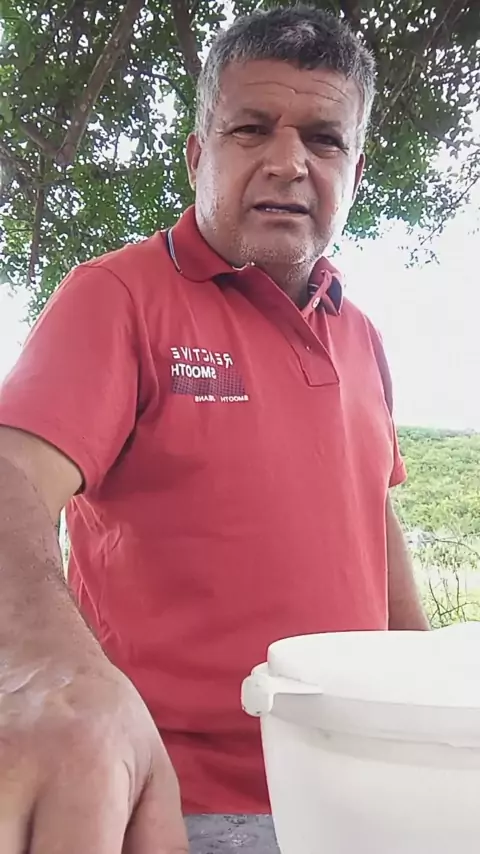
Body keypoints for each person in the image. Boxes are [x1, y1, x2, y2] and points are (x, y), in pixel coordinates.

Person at [0, 5, 429, 853]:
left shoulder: (362, 334)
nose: (288, 161)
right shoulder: (117, 295)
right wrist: (47, 665)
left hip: (359, 789)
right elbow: (12, 472)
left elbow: (371, 517)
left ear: (355, 169)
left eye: (323, 139)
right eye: (251, 128)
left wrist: (424, 686)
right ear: (200, 155)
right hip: (179, 803)